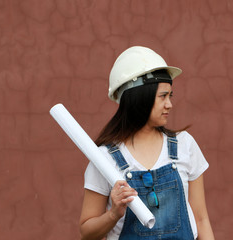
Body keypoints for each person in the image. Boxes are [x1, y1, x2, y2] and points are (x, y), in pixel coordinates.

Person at [79, 46, 215, 240]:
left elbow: (201, 220)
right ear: (139, 98)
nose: (169, 104)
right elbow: (86, 233)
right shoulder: (104, 159)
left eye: (170, 96)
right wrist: (114, 213)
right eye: (163, 96)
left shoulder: (185, 145)